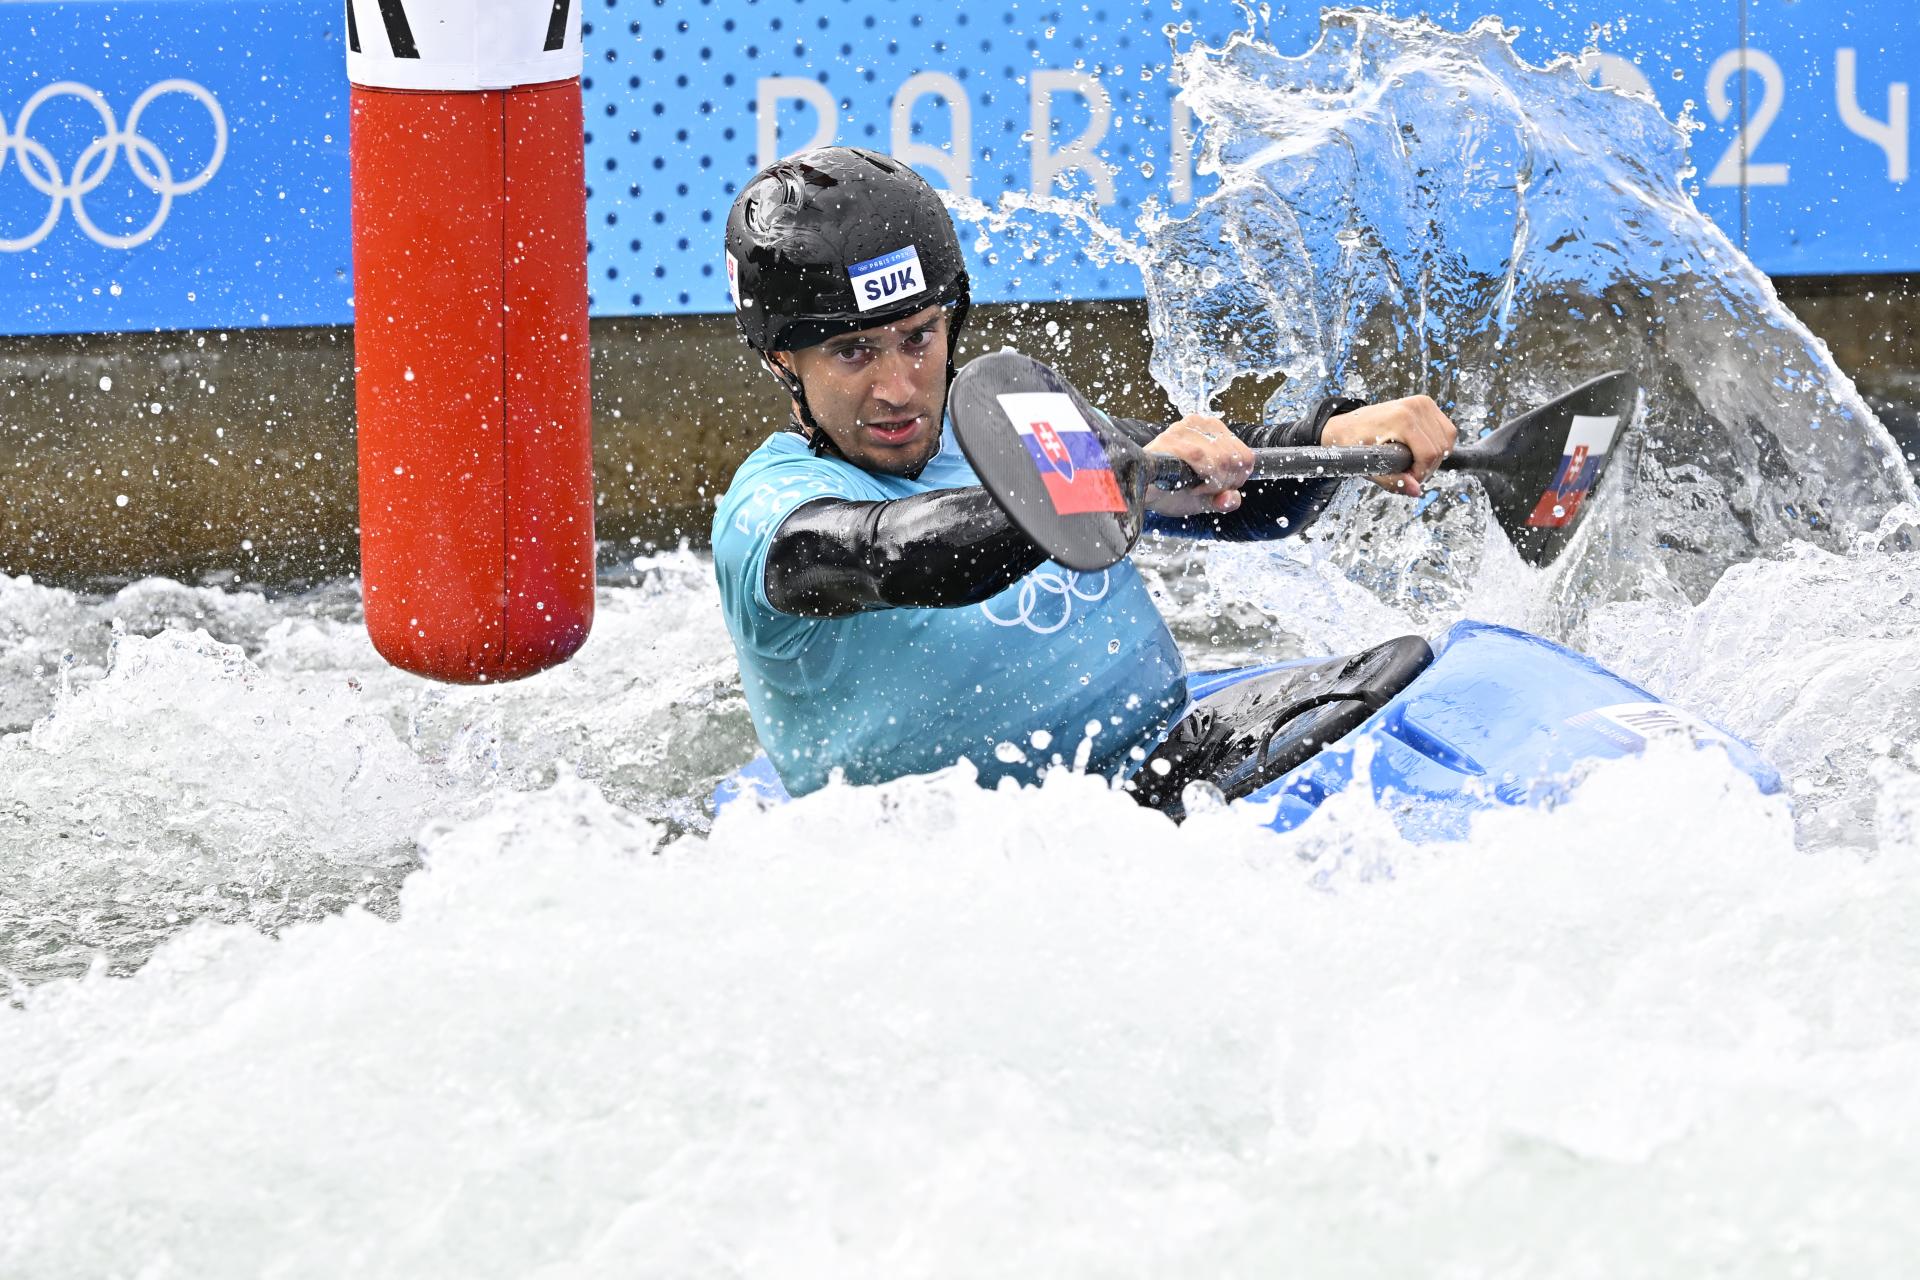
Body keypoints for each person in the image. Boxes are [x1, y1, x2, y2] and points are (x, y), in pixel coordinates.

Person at [712, 146, 1455, 806]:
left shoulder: (1007, 420)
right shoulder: (771, 514)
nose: (898, 387)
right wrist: (1098, 484)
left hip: (1167, 763)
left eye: (918, 338)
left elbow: (1243, 508)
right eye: (852, 352)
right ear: (784, 360)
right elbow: (897, 553)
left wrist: (1331, 431)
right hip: (968, 857)